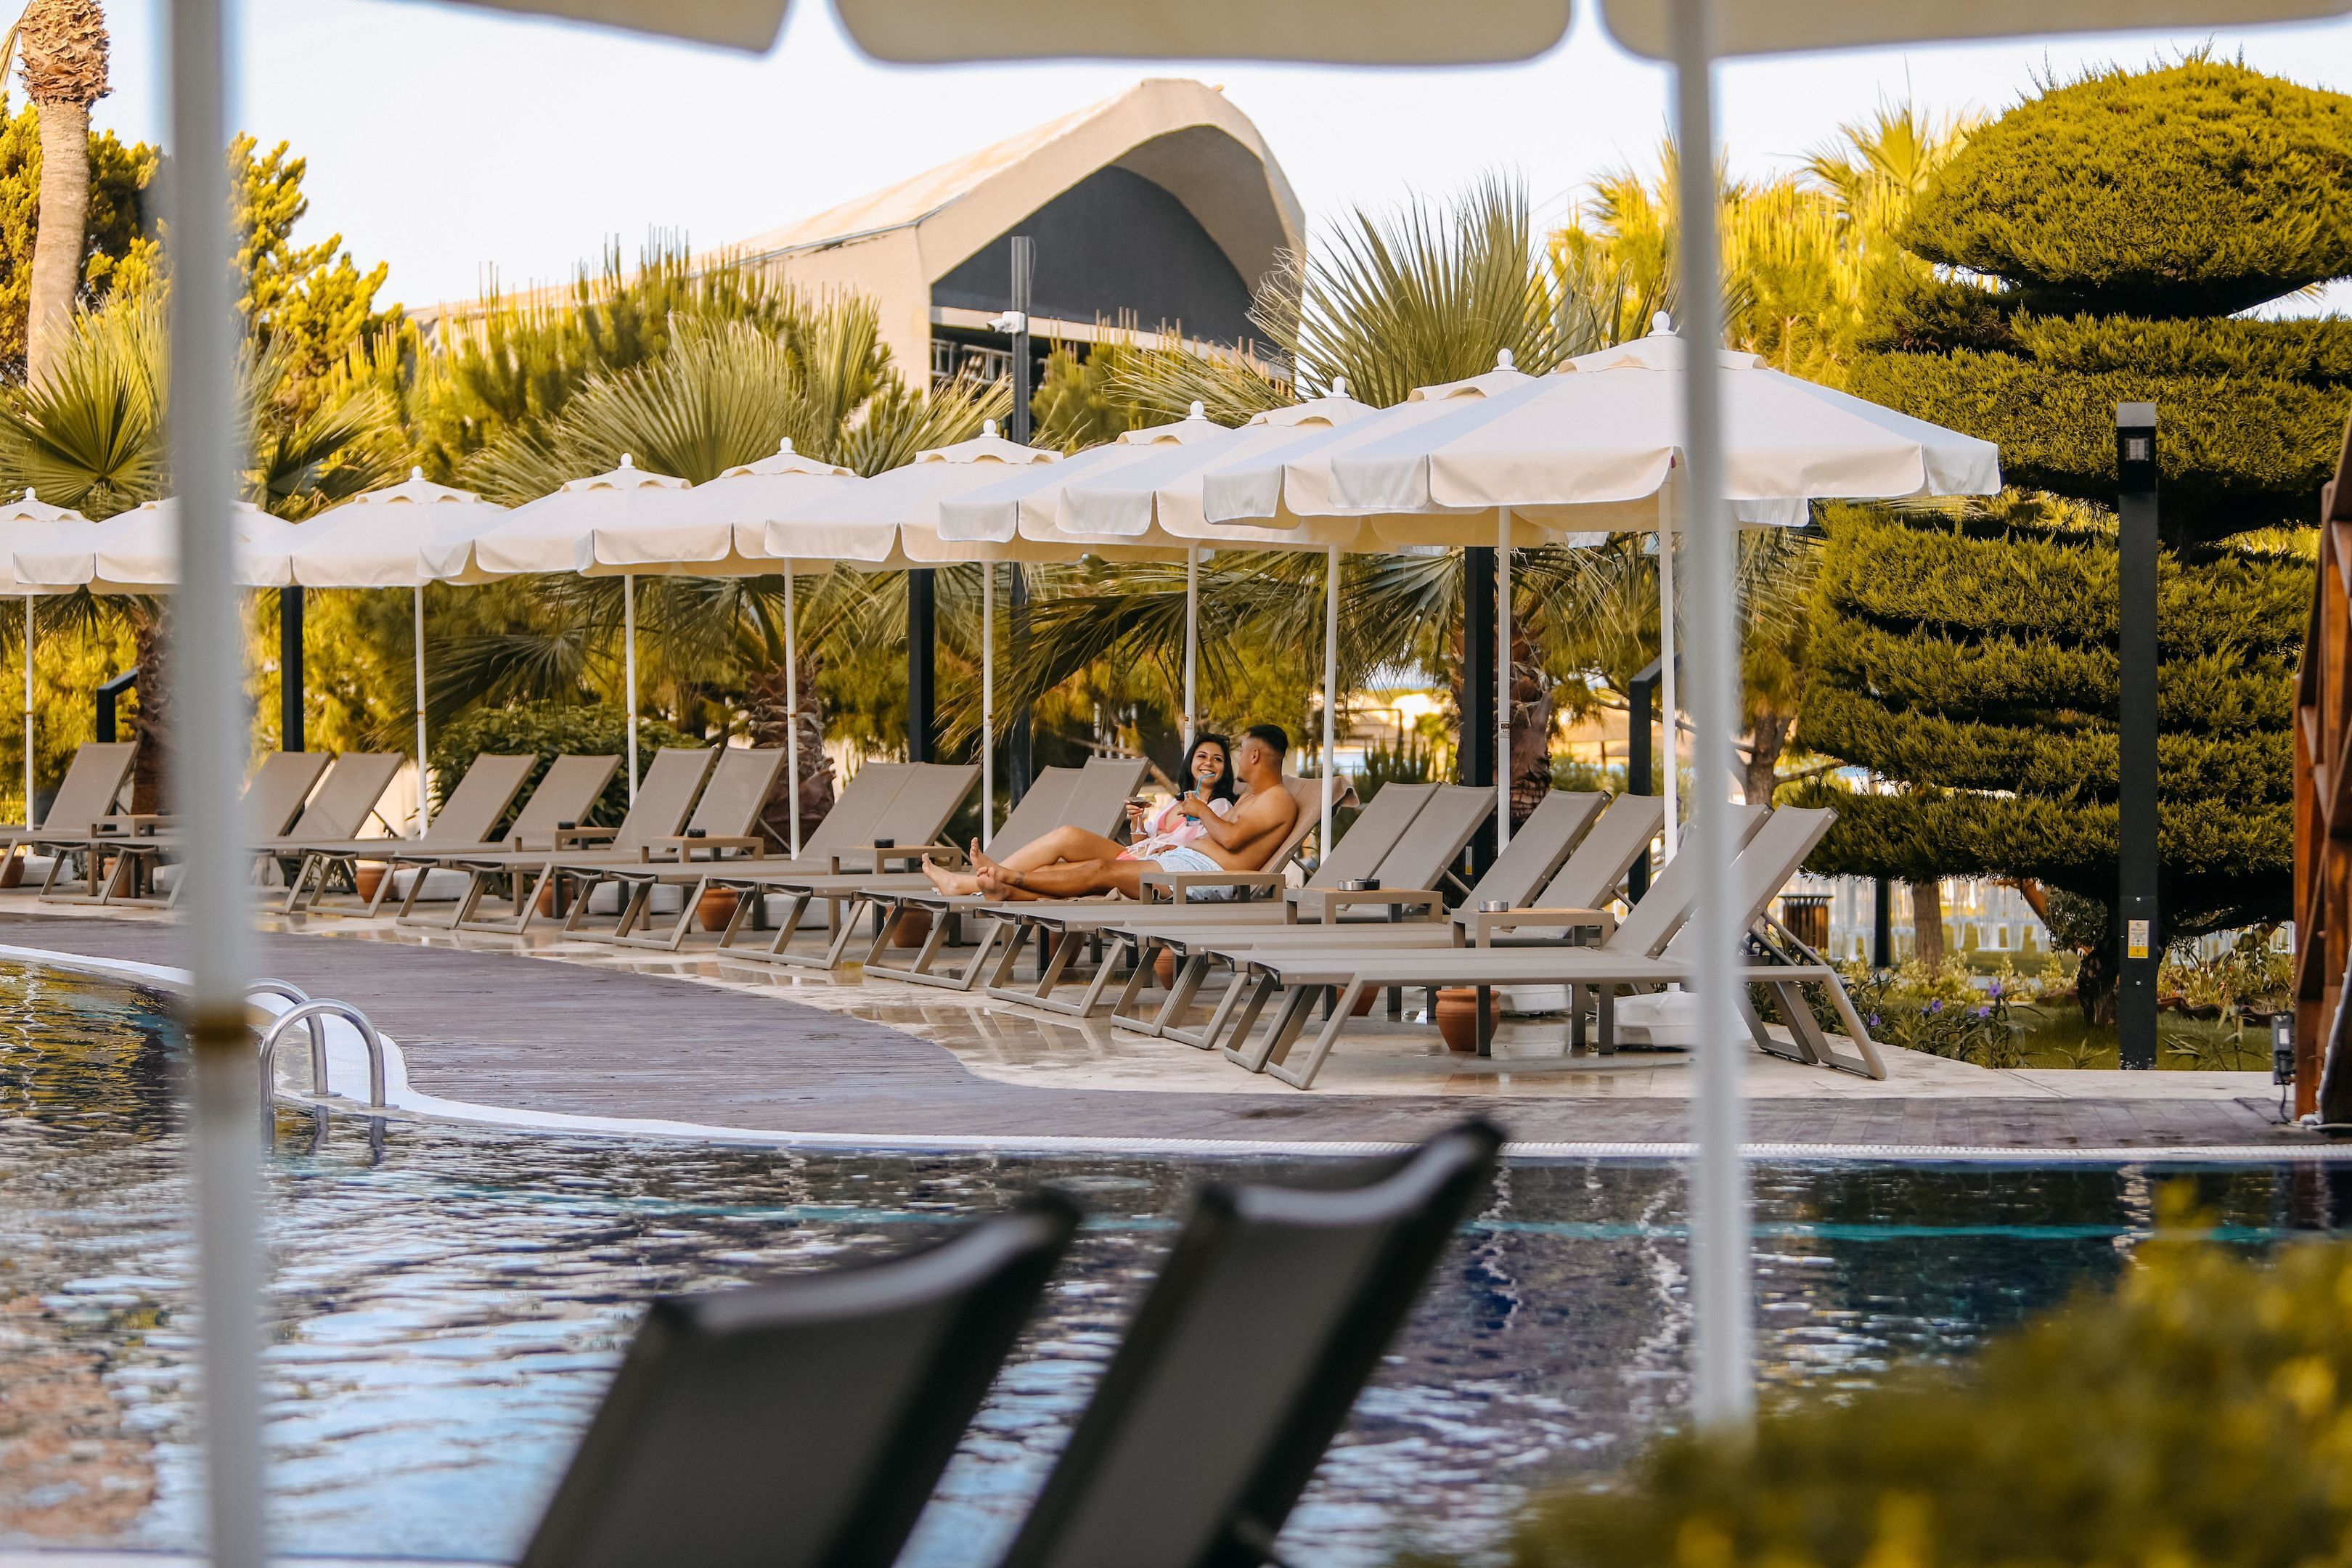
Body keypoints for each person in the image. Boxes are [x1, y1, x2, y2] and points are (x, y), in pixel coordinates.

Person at [920, 724, 1299, 902]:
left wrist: (1200, 810)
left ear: (1254, 756)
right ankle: (1002, 887)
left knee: (1100, 871)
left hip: (1200, 877)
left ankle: (1007, 877)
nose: (1236, 760)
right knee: (1081, 870)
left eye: (1239, 752)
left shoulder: (1277, 799)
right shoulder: (1254, 798)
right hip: (1182, 863)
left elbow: (1231, 839)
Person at [1122, 732, 1236, 862]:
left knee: (1102, 864)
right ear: (1190, 762)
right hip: (1135, 858)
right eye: (1202, 756)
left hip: (1157, 868)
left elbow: (1208, 850)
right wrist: (1136, 820)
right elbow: (1140, 844)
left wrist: (1178, 850)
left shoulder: (1219, 806)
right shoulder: (1176, 802)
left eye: (1217, 759)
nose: (1209, 763)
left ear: (1225, 769)